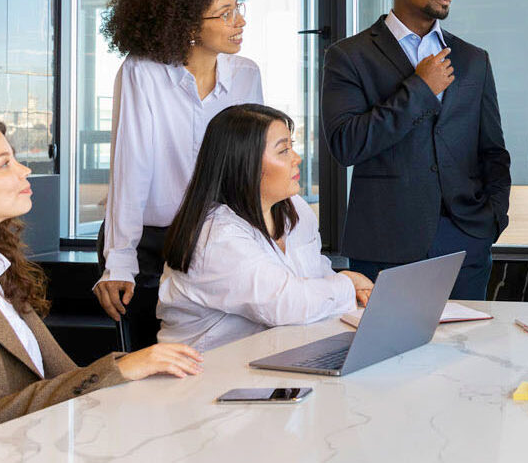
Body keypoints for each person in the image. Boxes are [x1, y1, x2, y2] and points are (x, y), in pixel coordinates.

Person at [0, 118, 202, 454]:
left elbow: (58, 380)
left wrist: (131, 378)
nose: (24, 170)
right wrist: (117, 370)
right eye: (5, 164)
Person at [322, 0, 510, 301]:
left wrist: (492, 220)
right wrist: (420, 89)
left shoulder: (474, 60)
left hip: (466, 241)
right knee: (390, 358)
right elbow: (346, 145)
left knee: (469, 353)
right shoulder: (349, 56)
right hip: (384, 246)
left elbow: (493, 151)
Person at [92, 0, 264, 350]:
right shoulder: (142, 72)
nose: (239, 21)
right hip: (151, 243)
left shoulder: (246, 74)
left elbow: (252, 165)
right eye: (225, 13)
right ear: (187, 25)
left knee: (219, 359)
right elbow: (130, 168)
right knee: (152, 362)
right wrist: (119, 260)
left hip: (219, 241)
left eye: (238, 7)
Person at [157, 105, 372, 351]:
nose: (297, 158)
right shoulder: (216, 236)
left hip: (274, 362)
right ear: (244, 164)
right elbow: (286, 304)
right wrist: (346, 283)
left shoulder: (295, 209)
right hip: (205, 376)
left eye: (292, 146)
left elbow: (315, 277)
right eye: (283, 151)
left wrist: (351, 291)